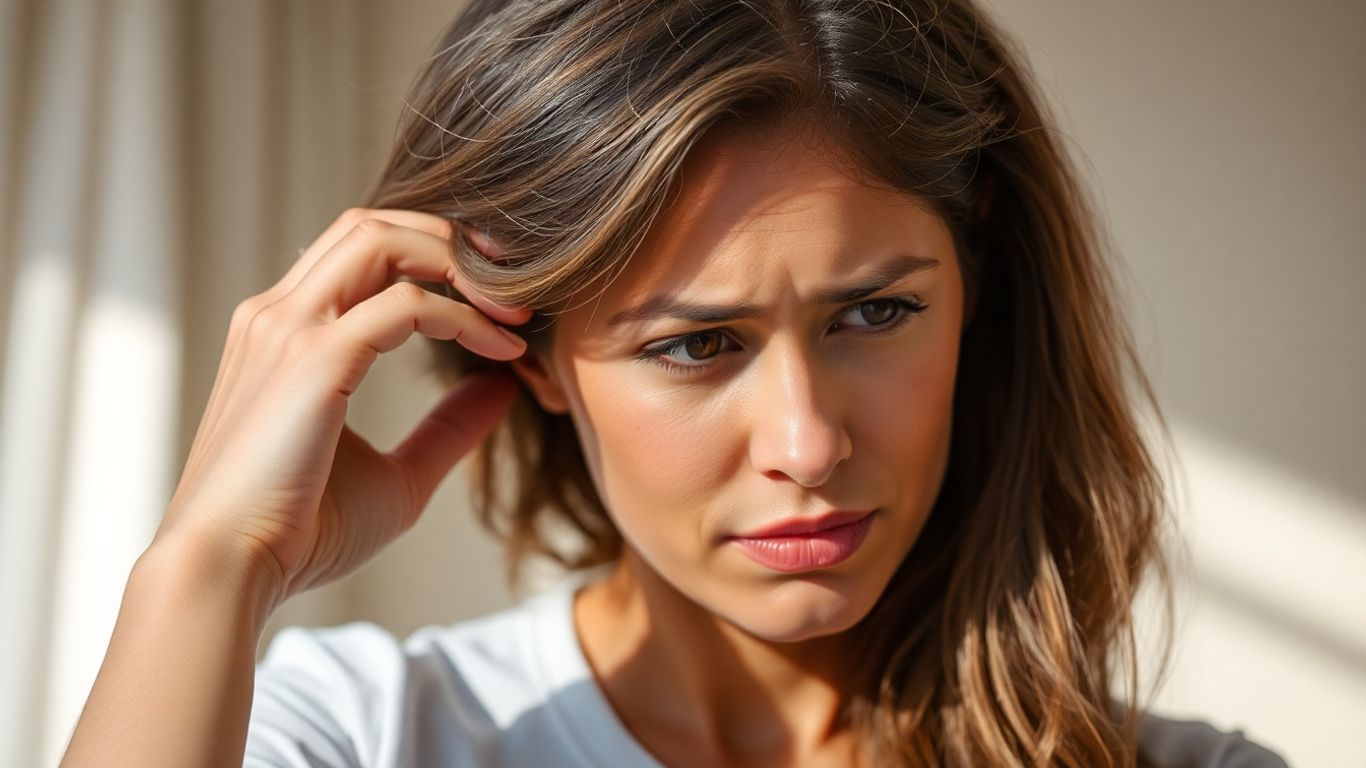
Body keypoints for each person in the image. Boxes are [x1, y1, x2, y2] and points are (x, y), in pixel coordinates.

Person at [61, 0, 1292, 766]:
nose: (807, 445)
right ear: (524, 348)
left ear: (979, 289)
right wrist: (213, 567)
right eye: (696, 344)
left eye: (877, 311)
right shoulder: (357, 738)